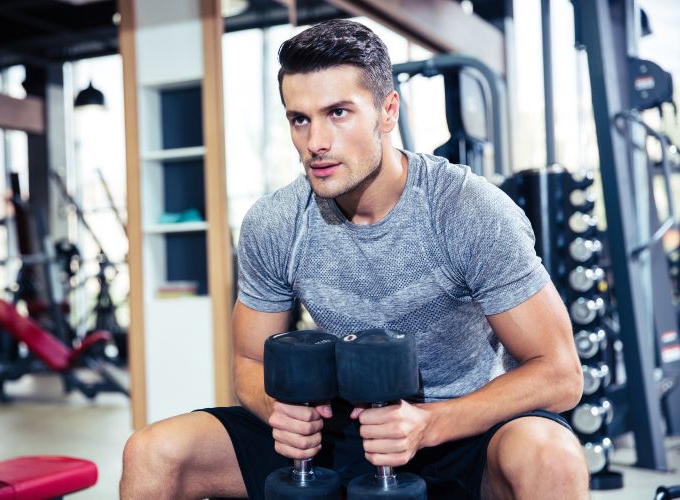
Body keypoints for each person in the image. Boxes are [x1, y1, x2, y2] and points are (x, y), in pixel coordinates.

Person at [120, 19, 589, 500]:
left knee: (550, 454)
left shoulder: (467, 210)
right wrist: (276, 408)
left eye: (338, 113)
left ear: (388, 112)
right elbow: (247, 359)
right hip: (338, 430)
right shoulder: (277, 222)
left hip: (464, 429)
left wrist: (429, 423)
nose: (315, 142)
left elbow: (559, 373)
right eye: (299, 119)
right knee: (154, 452)